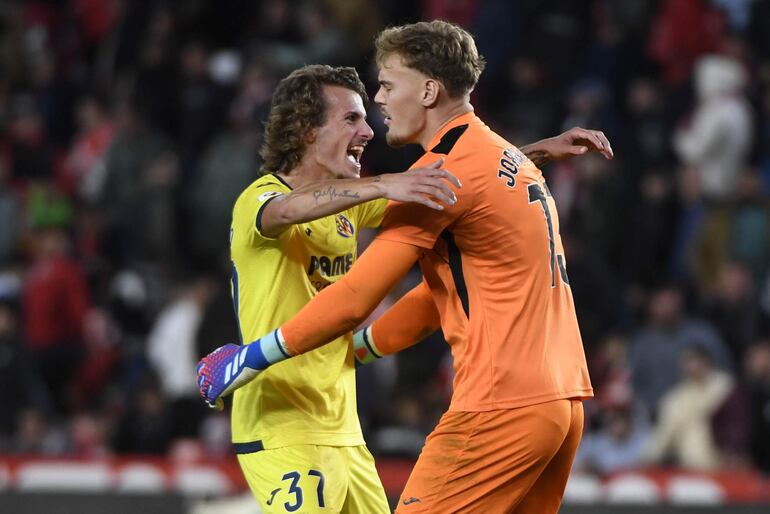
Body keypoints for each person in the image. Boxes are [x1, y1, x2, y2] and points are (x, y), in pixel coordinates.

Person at [200, 43, 612, 514]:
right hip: (280, 424)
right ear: (307, 130)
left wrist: (530, 155)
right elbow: (288, 209)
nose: (367, 130)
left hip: (343, 429)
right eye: (350, 119)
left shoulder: (350, 207)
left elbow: (456, 184)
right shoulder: (259, 199)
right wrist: (381, 183)